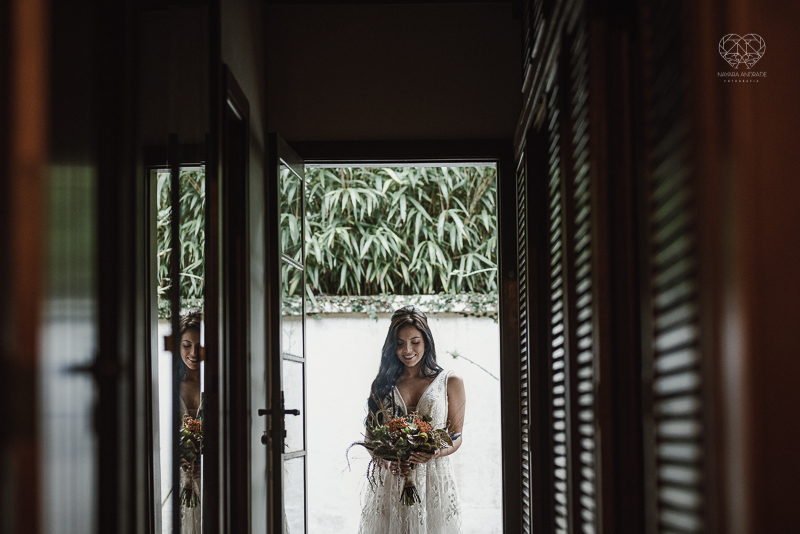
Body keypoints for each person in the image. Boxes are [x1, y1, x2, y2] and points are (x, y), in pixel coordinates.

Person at [358, 305, 466, 534]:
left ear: (426, 341)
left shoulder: (450, 381)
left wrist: (436, 452)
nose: (407, 349)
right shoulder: (381, 384)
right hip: (391, 480)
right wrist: (387, 463)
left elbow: (456, 436)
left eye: (415, 341)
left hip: (434, 480)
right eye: (399, 343)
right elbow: (370, 438)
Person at [178, 309, 204, 534]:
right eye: (187, 345)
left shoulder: (220, 381)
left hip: (216, 474)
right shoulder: (168, 384)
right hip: (182, 475)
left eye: (200, 345)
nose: (194, 352)